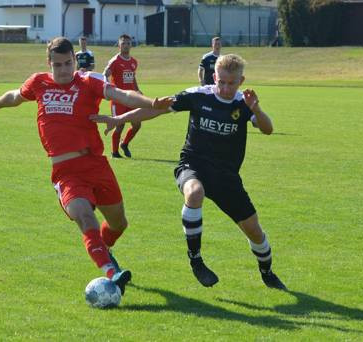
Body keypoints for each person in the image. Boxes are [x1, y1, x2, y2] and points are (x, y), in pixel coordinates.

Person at [0, 37, 172, 295]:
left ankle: (104, 248)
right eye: (57, 65)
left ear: (75, 60)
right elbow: (15, 95)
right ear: (49, 64)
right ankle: (112, 272)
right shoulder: (39, 82)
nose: (64, 70)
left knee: (118, 224)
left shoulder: (88, 82)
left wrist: (152, 103)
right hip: (66, 171)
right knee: (83, 215)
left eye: (68, 63)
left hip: (95, 165)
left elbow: (122, 94)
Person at [91, 54, 287, 290]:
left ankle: (267, 272)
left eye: (231, 83)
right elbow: (157, 109)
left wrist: (256, 108)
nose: (225, 87)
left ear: (241, 80)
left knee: (254, 231)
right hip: (193, 166)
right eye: (221, 81)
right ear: (214, 77)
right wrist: (120, 117)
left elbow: (267, 129)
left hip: (227, 177)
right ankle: (196, 260)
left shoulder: (243, 103)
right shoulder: (197, 95)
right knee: (194, 193)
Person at [103, 34, 142, 158]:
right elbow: (105, 74)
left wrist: (137, 90)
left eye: (128, 43)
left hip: (131, 98)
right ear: (119, 45)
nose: (126, 45)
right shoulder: (115, 61)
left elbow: (132, 76)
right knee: (120, 125)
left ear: (131, 45)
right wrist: (107, 88)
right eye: (123, 43)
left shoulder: (133, 62)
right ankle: (115, 152)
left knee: (137, 124)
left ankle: (124, 144)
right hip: (118, 98)